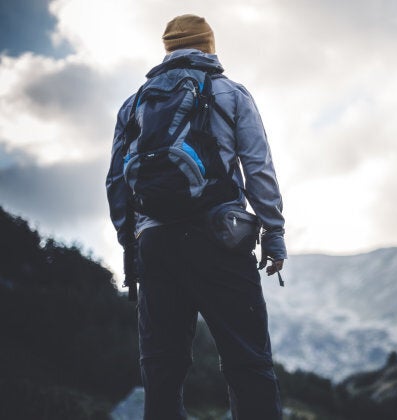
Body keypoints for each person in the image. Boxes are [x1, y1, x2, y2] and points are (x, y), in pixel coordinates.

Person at [106, 14, 286, 420]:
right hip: (221, 239)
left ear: (167, 50)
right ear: (209, 46)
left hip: (155, 245)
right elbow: (258, 170)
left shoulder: (134, 104)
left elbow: (117, 181)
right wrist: (274, 235)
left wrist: (131, 245)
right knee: (248, 363)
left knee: (161, 371)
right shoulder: (230, 93)